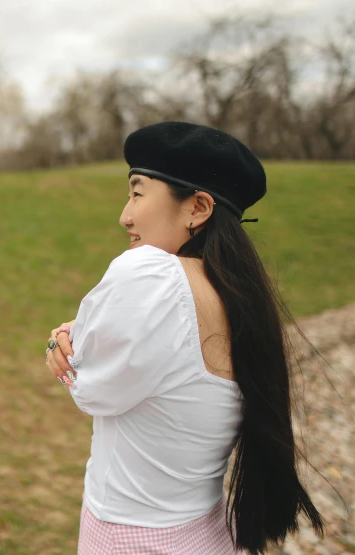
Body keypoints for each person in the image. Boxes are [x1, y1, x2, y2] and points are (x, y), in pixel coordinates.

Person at [45, 122, 324, 554]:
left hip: (132, 538)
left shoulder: (150, 276)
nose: (125, 215)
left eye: (137, 193)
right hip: (207, 535)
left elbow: (92, 388)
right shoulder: (240, 297)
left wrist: (61, 355)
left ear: (197, 208)